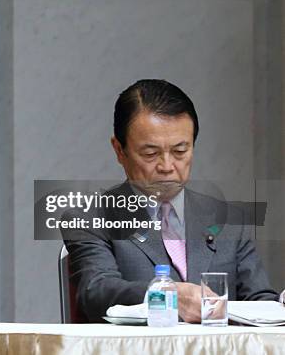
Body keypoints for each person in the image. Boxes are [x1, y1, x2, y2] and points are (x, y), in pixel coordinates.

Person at [62, 79, 284, 323]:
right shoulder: (90, 218)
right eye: (150, 153)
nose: (167, 167)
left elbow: (259, 300)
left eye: (180, 151)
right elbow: (96, 292)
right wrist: (168, 294)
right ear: (119, 150)